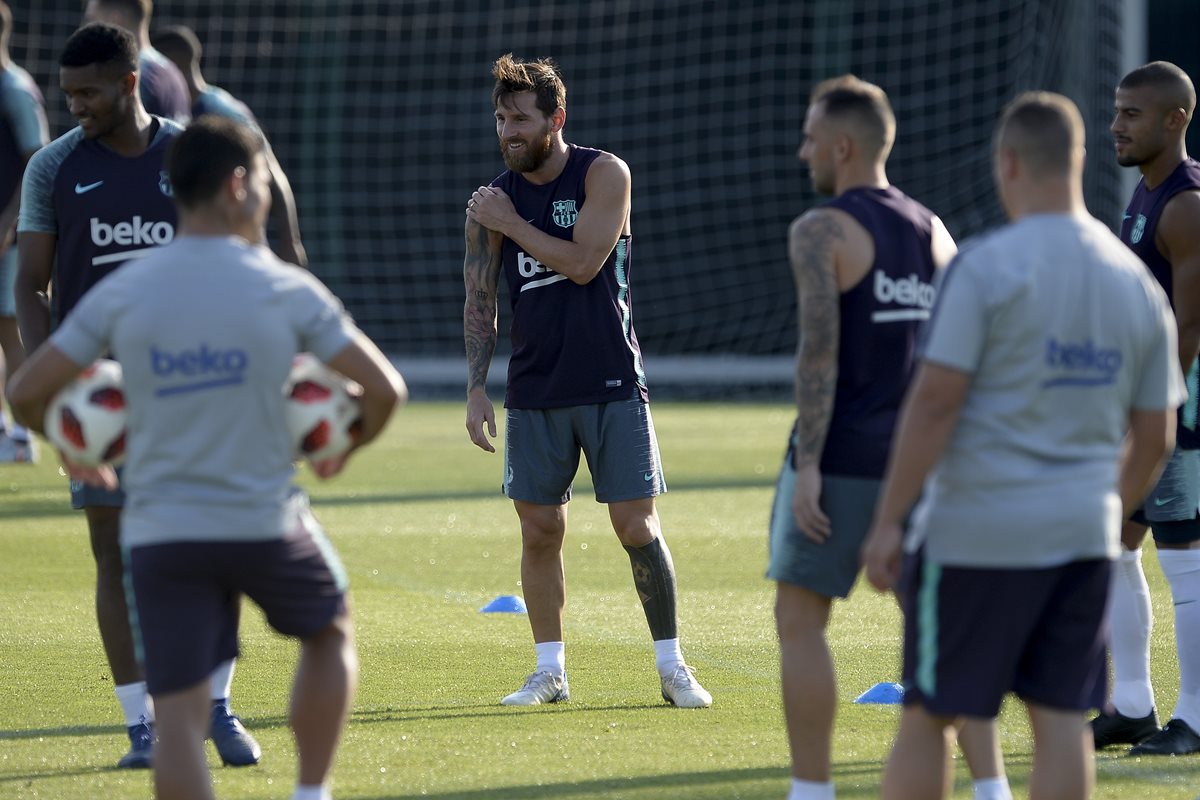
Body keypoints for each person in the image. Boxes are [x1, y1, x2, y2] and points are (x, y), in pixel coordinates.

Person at [7, 114, 406, 800]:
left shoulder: (122, 292)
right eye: (264, 187)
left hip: (161, 533)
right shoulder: (285, 287)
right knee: (329, 632)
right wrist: (344, 446)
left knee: (178, 721)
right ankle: (311, 793)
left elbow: (23, 393)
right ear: (239, 187)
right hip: (265, 521)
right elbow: (386, 390)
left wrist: (74, 446)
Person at [862, 92, 1181, 800]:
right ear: (1078, 162)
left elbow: (934, 403)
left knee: (931, 715)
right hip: (1080, 538)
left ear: (1008, 163)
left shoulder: (984, 265)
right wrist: (1104, 508)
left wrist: (887, 522)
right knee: (1061, 721)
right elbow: (1155, 435)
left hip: (973, 535)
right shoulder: (1135, 284)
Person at [13, 22, 257, 769]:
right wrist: (54, 386)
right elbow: (31, 286)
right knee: (114, 554)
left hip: (198, 387)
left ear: (128, 84)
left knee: (214, 548)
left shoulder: (191, 154)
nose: (76, 106)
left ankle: (217, 706)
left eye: (89, 93)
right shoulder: (54, 168)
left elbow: (238, 258)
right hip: (101, 404)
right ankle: (141, 726)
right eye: (68, 94)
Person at [769, 75, 1011, 800]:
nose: (803, 151)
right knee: (942, 633)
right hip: (924, 465)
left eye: (811, 137)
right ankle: (993, 788)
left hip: (841, 460)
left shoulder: (820, 230)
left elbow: (819, 355)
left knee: (800, 621)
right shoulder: (935, 230)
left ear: (842, 146)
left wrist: (810, 463)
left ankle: (811, 791)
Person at [462, 53, 711, 709]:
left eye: (520, 119)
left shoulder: (603, 174)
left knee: (636, 524)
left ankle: (672, 666)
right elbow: (480, 299)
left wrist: (511, 224)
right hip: (534, 388)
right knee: (539, 531)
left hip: (610, 380)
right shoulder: (491, 204)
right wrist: (477, 387)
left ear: (556, 119)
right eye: (500, 119)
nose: (508, 131)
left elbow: (583, 264)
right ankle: (550, 672)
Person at [1093, 60, 1200, 756]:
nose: (1117, 125)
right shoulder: (1147, 189)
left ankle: (1195, 718)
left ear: (1175, 119)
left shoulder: (1187, 205)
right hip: (1143, 402)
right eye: (1116, 111)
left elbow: (1190, 328)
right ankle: (1131, 704)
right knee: (1116, 543)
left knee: (1185, 561)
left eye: (1131, 113)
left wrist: (1155, 415)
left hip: (1179, 407)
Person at [151, 24, 307, 267]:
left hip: (241, 249)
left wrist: (290, 244)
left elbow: (272, 174)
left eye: (155, 67)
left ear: (172, 65)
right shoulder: (178, 111)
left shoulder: (221, 111)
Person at [0, 0, 47, 463]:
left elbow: (38, 159)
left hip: (8, 237)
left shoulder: (15, 88)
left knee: (10, 329)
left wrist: (9, 222)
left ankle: (23, 434)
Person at [83, 0, 189, 125]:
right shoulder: (172, 70)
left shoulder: (131, 77)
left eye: (91, 19)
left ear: (115, 20)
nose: (85, 28)